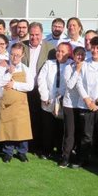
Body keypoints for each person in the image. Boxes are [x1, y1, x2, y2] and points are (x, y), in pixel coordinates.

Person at [69, 36, 98, 169]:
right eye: (93, 47)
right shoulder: (85, 63)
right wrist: (87, 100)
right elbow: (79, 83)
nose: (95, 50)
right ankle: (83, 159)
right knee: (86, 135)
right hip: (86, 105)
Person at [0, 42, 34, 162]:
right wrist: (9, 73)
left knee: (22, 129)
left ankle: (22, 152)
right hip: (6, 105)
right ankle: (8, 152)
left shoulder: (26, 69)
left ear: (22, 56)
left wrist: (14, 84)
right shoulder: (2, 67)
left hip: (20, 105)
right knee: (8, 128)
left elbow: (30, 86)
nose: (14, 57)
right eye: (12, 54)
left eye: (17, 55)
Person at [22, 22, 56, 158]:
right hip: (25, 89)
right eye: (32, 34)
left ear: (42, 35)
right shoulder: (22, 46)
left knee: (42, 120)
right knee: (28, 118)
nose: (34, 37)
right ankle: (28, 145)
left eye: (37, 35)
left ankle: (41, 147)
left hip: (42, 90)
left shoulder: (50, 48)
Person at [37, 42, 72, 159]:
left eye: (63, 51)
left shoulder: (71, 65)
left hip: (64, 101)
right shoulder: (48, 63)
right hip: (49, 100)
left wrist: (63, 97)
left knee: (61, 129)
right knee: (48, 128)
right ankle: (46, 150)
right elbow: (41, 79)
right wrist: (44, 96)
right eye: (58, 50)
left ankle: (60, 151)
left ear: (69, 53)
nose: (59, 53)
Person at [60, 47, 86, 168]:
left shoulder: (87, 67)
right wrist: (77, 71)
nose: (80, 57)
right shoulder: (68, 67)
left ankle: (79, 158)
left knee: (81, 133)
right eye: (77, 55)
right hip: (69, 104)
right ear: (73, 55)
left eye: (82, 55)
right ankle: (65, 157)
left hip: (82, 104)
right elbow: (70, 85)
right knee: (69, 133)